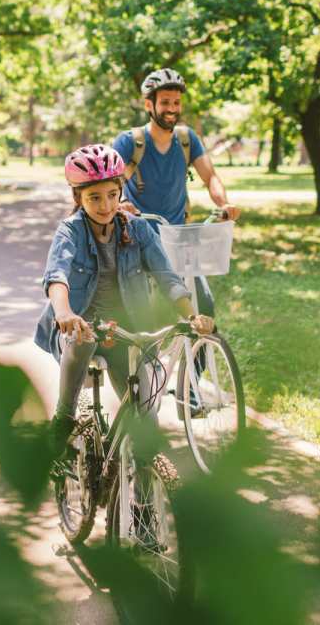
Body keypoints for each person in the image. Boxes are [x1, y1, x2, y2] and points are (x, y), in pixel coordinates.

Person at [36, 144, 214, 450]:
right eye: (94, 197)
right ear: (78, 197)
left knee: (146, 426)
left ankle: (141, 489)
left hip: (124, 332)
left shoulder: (139, 229)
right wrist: (64, 313)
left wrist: (190, 315)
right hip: (79, 326)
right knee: (83, 338)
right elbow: (57, 276)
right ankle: (63, 417)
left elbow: (167, 277)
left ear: (121, 192)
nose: (105, 205)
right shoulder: (70, 231)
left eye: (112, 195)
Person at [112, 68, 239, 317]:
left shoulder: (186, 139)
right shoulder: (130, 142)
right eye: (165, 102)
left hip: (179, 238)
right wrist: (123, 201)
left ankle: (199, 355)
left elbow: (210, 176)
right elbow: (112, 182)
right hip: (140, 238)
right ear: (149, 105)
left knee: (203, 307)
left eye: (177, 102)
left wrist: (225, 204)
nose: (172, 108)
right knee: (141, 313)